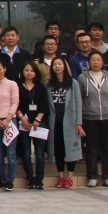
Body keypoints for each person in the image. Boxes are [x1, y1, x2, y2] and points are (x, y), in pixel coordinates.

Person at [76, 52, 108, 188]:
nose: (95, 62)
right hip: (89, 117)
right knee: (91, 148)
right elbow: (79, 99)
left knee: (107, 148)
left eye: (98, 60)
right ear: (89, 62)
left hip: (107, 117)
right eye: (93, 60)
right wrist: (79, 119)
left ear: (103, 62)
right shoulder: (82, 77)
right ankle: (92, 177)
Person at [46, 57, 82, 188]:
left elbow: (78, 103)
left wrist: (79, 122)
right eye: (55, 64)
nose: (57, 66)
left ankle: (70, 177)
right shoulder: (48, 84)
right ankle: (61, 177)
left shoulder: (73, 83)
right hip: (54, 122)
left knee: (71, 150)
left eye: (60, 64)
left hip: (70, 121)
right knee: (58, 150)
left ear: (65, 66)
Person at [15, 60, 50, 191]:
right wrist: (22, 119)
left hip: (39, 122)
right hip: (24, 122)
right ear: (22, 72)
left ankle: (39, 179)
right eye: (26, 70)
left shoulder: (40, 87)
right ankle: (30, 179)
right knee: (26, 153)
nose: (29, 73)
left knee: (40, 152)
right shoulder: (18, 86)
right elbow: (16, 105)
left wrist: (37, 120)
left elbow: (44, 105)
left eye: (32, 70)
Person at [0, 59, 20, 191]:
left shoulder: (12, 84)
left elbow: (15, 102)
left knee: (11, 153)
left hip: (10, 120)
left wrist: (8, 119)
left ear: (5, 69)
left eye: (0, 69)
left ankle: (10, 180)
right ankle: (1, 179)